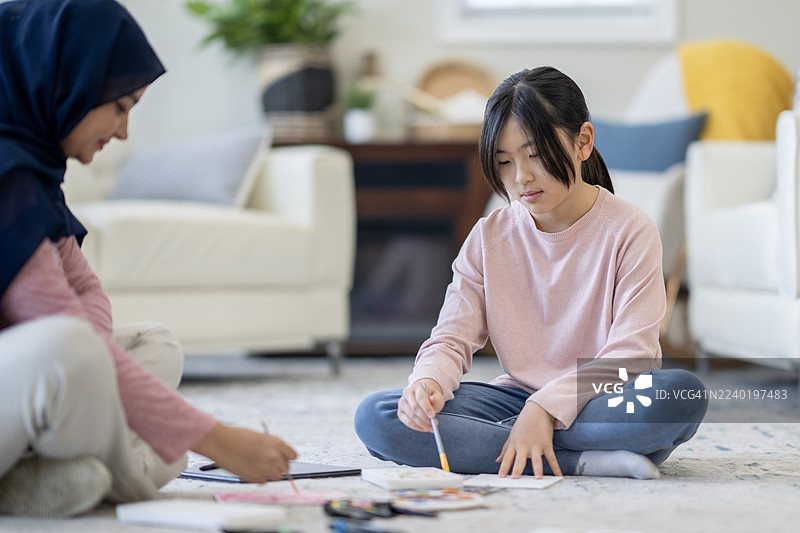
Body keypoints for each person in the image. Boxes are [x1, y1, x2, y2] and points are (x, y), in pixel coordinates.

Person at [0, 0, 296, 518]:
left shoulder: (34, 170)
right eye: (120, 106)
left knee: (153, 342)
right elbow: (62, 328)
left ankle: (51, 478)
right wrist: (216, 440)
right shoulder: (7, 174)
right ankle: (128, 478)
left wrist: (91, 361)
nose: (124, 131)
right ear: (67, 81)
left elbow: (86, 291)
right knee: (69, 345)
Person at [355, 66, 708, 480]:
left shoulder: (630, 230)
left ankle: (522, 442)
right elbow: (451, 338)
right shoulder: (490, 235)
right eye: (504, 162)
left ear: (583, 142)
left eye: (535, 155)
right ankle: (583, 460)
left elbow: (631, 357)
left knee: (679, 395)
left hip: (600, 400)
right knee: (378, 416)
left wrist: (546, 408)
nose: (520, 178)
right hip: (515, 402)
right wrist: (426, 384)